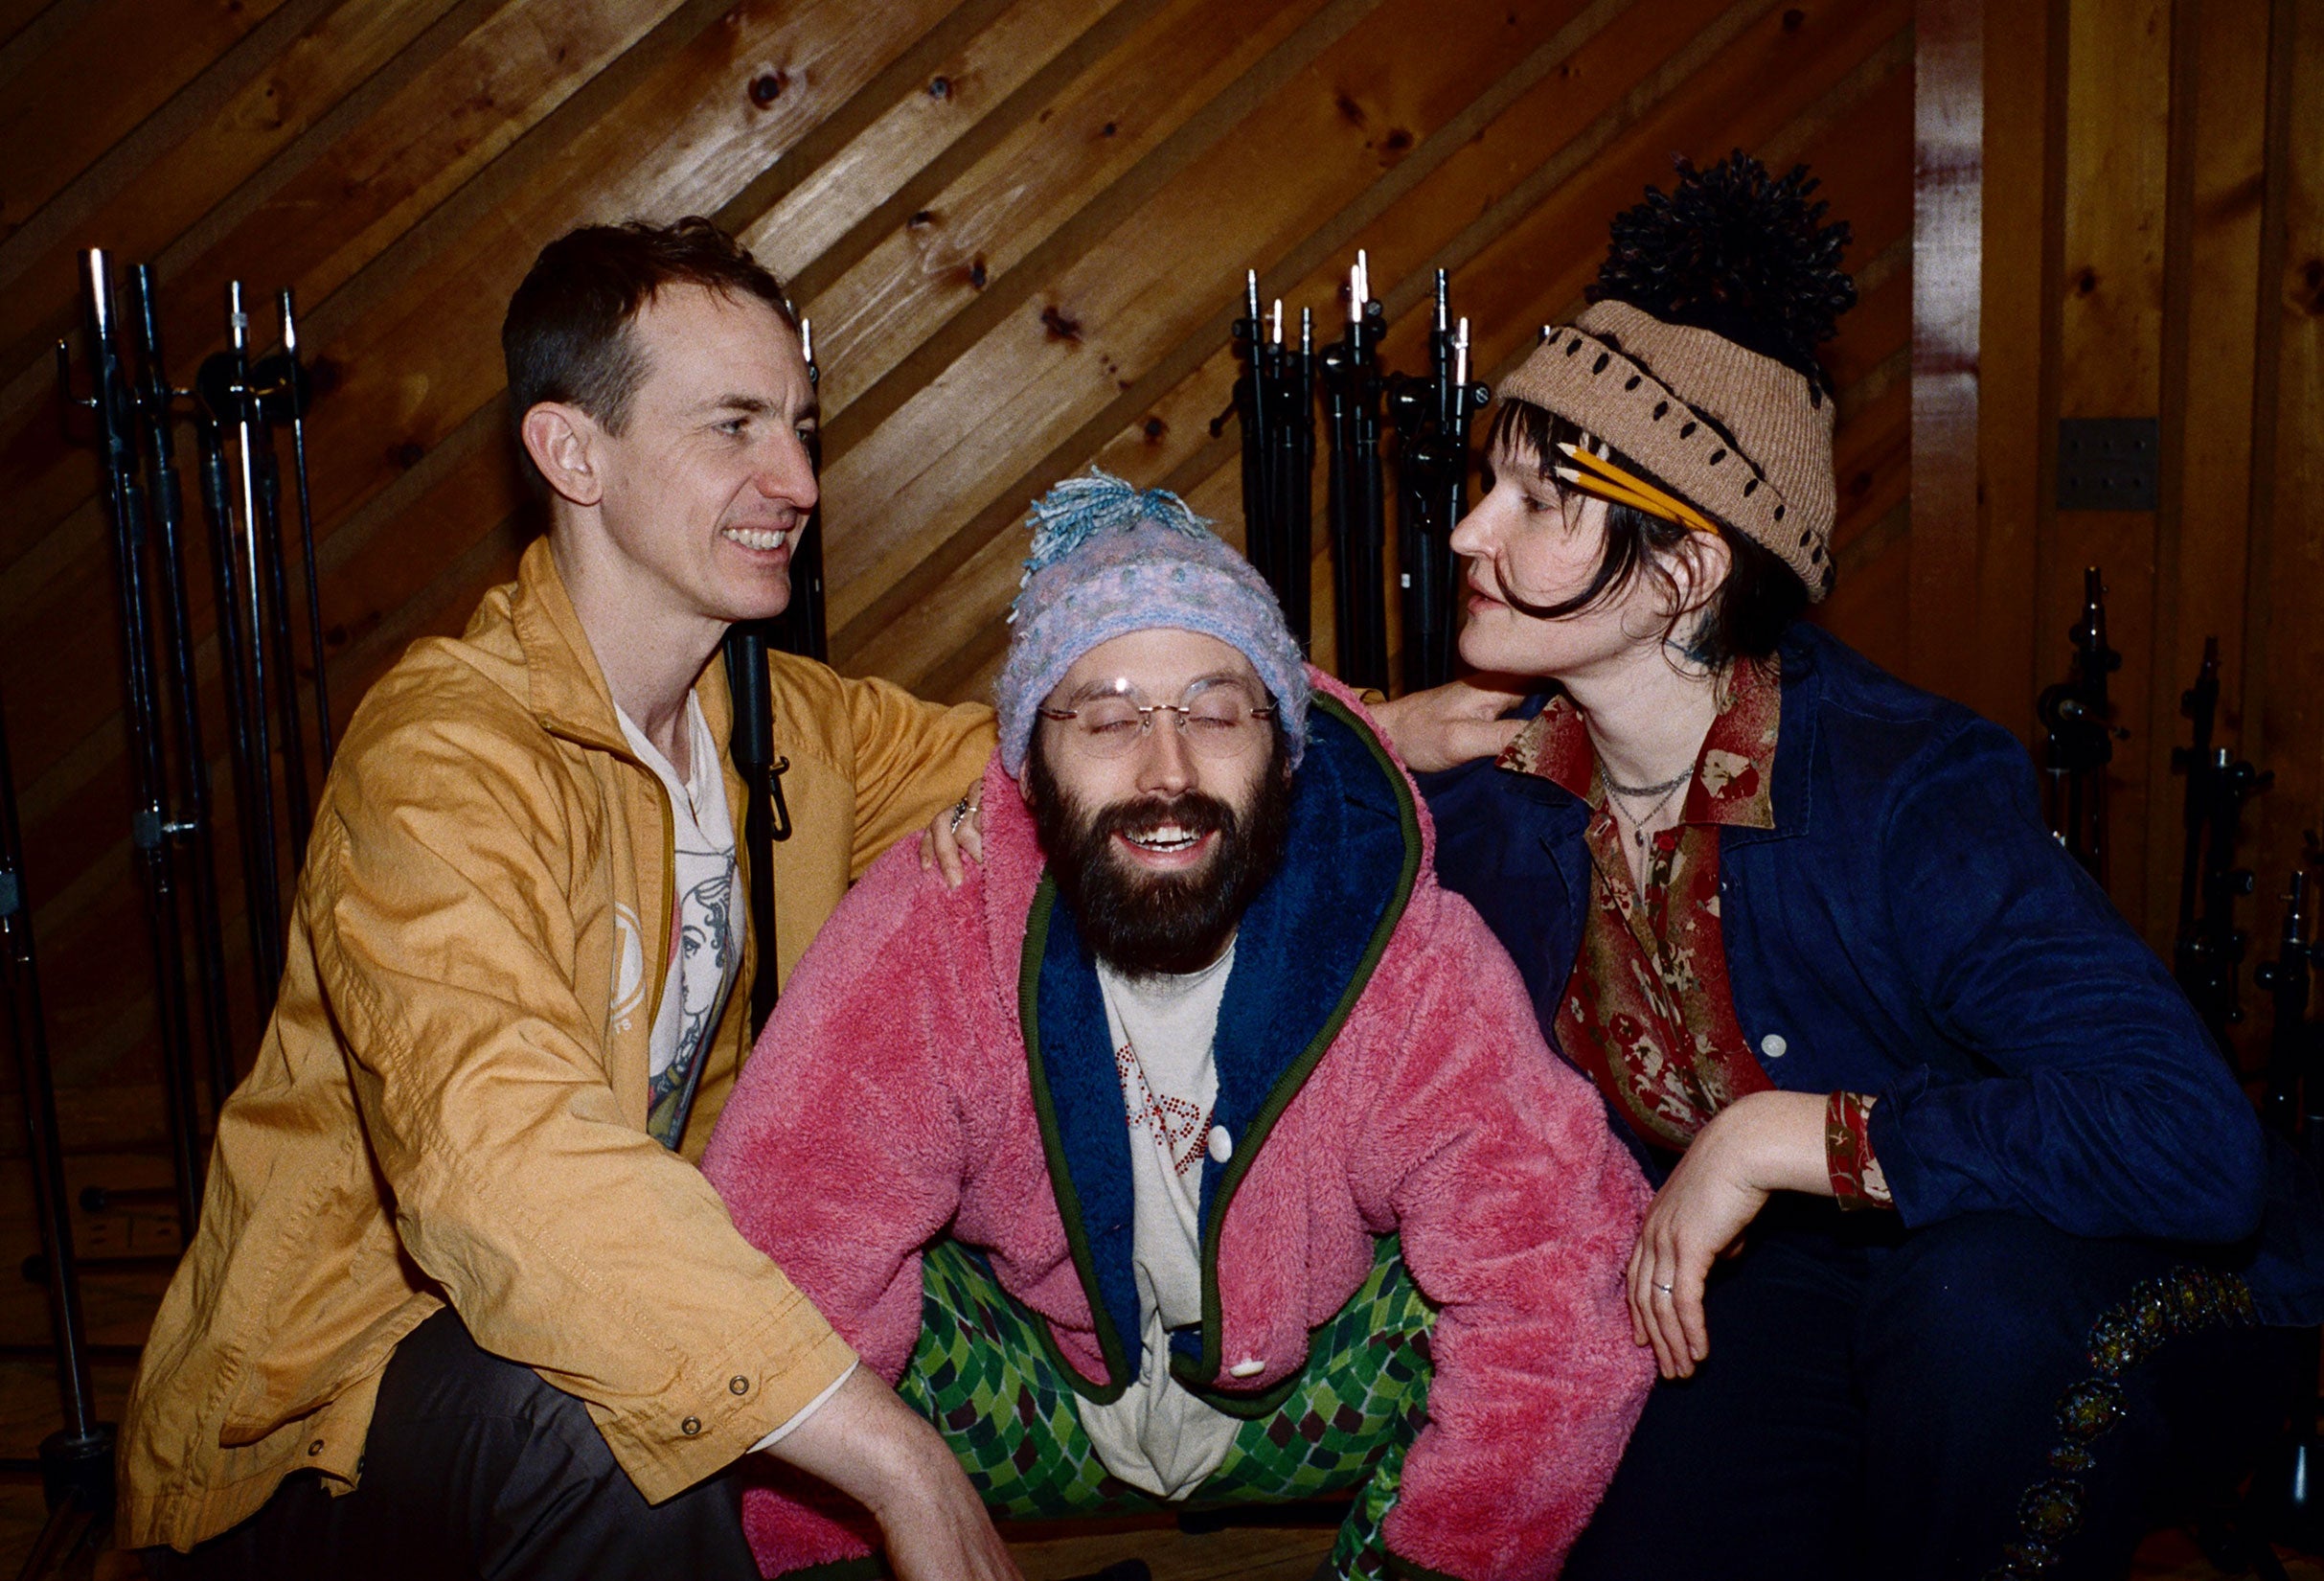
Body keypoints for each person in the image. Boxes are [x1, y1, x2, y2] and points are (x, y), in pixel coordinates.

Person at [1416, 153, 2324, 1579]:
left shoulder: (1908, 791)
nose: (1468, 530)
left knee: (1972, 1316)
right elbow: (1233, 801)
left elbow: (2190, 1144)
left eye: (1536, 499)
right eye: (1487, 484)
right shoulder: (1506, 787)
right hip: (1802, 1277)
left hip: (2091, 1277)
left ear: (1685, 571)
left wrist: (1777, 1135)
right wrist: (1366, 734)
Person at [121, 218, 1022, 1579]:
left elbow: (1086, 751)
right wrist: (899, 1462)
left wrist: (1314, 715)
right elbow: (502, 1160)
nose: (796, 480)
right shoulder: (442, 756)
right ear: (571, 454)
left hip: (574, 1339)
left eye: (799, 427)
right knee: (607, 1421)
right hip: (321, 1422)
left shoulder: (785, 722)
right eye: (732, 426)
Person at [702, 471, 1655, 1580]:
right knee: (804, 1309)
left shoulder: (1399, 948)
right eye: (1106, 720)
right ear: (1027, 765)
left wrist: (1444, 1563)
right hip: (1035, 1388)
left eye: (1214, 714)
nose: (1167, 772)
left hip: (1302, 1391)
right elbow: (783, 1246)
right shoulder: (935, 924)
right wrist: (827, 1553)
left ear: (1285, 752)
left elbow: (1554, 1281)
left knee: (1555, 1289)